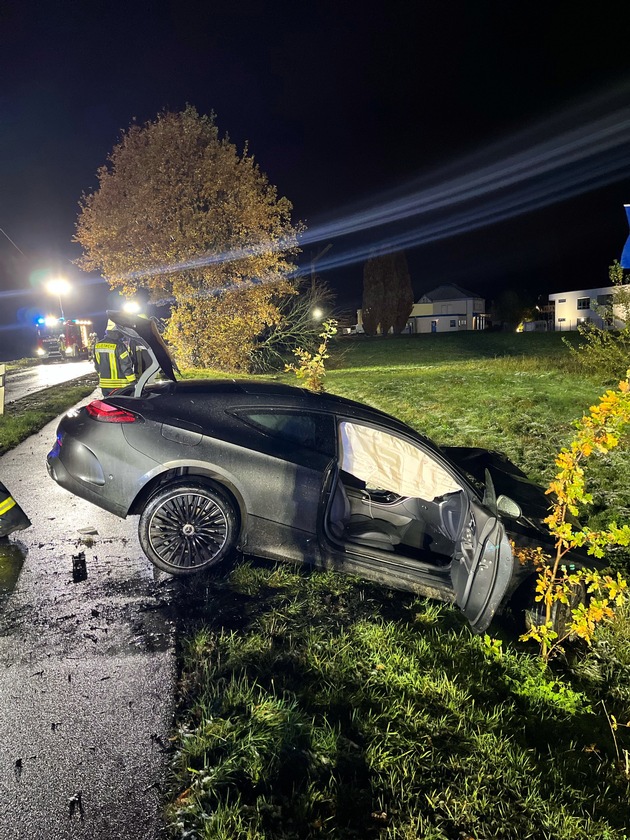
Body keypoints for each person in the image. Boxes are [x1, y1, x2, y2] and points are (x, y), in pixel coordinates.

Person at [94, 320, 137, 396]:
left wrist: (103, 376)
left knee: (108, 403)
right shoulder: (119, 346)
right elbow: (125, 365)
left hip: (104, 385)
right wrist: (133, 381)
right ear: (117, 331)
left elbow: (97, 365)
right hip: (120, 386)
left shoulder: (97, 345)